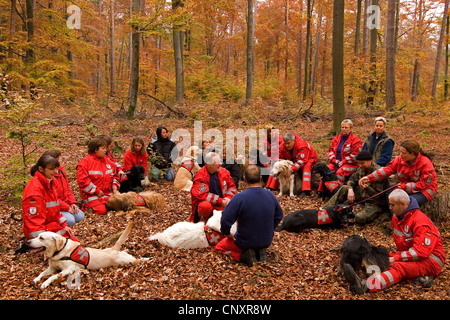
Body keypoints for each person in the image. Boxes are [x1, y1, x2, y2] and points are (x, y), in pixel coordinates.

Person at [343, 189, 445, 294]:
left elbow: (421, 252)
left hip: (431, 261)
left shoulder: (420, 222)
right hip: (412, 255)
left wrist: (396, 258)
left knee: (398, 267)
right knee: (383, 255)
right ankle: (372, 273)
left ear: (403, 204)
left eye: (392, 205)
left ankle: (365, 285)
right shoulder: (398, 217)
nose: (390, 208)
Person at [214, 165, 283, 267]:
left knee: (219, 248)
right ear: (260, 178)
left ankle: (243, 256)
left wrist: (226, 233)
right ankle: (259, 252)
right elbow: (279, 215)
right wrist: (270, 228)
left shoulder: (239, 198)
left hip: (244, 242)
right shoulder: (270, 195)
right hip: (266, 240)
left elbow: (225, 219)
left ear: (244, 179)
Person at [359, 140, 437, 206]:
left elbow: (424, 184)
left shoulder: (425, 163)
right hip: (405, 187)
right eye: (400, 152)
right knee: (390, 194)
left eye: (403, 153)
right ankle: (395, 216)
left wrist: (404, 186)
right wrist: (369, 178)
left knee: (409, 202)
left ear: (412, 154)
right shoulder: (400, 159)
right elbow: (388, 169)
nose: (400, 155)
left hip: (424, 190)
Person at [22, 154, 77, 242]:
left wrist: (64, 225)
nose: (55, 172)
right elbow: (34, 221)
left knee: (74, 244)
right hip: (43, 232)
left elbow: (55, 210)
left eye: (56, 169)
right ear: (41, 169)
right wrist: (40, 243)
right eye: (51, 169)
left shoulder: (50, 183)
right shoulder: (35, 190)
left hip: (51, 227)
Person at [324, 150, 389, 225]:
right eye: (358, 163)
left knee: (359, 218)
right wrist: (350, 189)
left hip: (374, 203)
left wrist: (366, 187)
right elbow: (351, 180)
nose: (360, 165)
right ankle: (325, 210)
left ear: (369, 161)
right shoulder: (361, 169)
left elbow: (379, 196)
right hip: (362, 195)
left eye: (362, 163)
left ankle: (344, 217)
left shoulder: (378, 173)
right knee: (344, 188)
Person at [77, 135, 120, 215]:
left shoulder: (108, 162)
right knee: (101, 211)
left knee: (120, 206)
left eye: (105, 148)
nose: (105, 151)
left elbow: (115, 176)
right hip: (92, 196)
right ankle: (86, 207)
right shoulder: (84, 163)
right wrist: (96, 191)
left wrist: (115, 186)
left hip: (108, 194)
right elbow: (83, 182)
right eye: (103, 148)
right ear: (96, 149)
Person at [266, 132, 318, 198]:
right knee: (277, 166)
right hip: (294, 159)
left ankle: (306, 190)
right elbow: (279, 158)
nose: (287, 145)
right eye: (285, 143)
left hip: (309, 158)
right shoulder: (282, 146)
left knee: (306, 166)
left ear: (293, 141)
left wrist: (291, 170)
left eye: (288, 143)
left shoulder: (301, 145)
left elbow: (302, 161)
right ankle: (271, 186)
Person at [190, 152, 237, 223]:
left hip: (224, 203)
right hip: (211, 205)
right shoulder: (200, 176)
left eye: (220, 161)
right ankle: (203, 224)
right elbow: (203, 195)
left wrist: (228, 198)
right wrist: (220, 201)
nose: (221, 164)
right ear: (209, 165)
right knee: (204, 206)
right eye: (217, 162)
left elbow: (232, 186)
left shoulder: (224, 172)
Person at [42, 150, 85, 227]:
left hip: (66, 204)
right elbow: (52, 199)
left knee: (80, 216)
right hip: (56, 208)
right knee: (70, 221)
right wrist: (67, 207)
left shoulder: (61, 171)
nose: (60, 161)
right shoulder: (48, 177)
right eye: (58, 159)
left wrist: (72, 203)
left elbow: (68, 188)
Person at [328, 119, 362, 184]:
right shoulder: (336, 138)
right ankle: (322, 191)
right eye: (342, 127)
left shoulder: (355, 140)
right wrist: (334, 160)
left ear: (350, 129)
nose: (344, 129)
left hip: (351, 165)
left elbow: (356, 156)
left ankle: (339, 190)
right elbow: (330, 151)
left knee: (339, 172)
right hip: (336, 163)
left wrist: (343, 161)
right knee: (327, 170)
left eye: (346, 127)